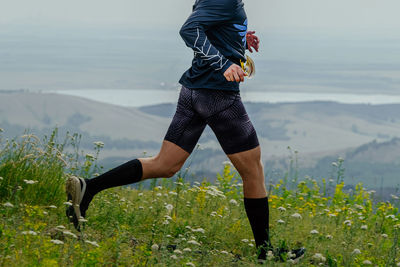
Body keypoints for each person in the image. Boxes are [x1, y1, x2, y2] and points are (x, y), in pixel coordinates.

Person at [66, 0, 305, 263]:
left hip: (193, 92)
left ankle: (88, 187)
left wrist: (237, 38)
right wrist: (224, 64)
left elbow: (206, 24)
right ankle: (265, 253)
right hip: (218, 97)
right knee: (253, 170)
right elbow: (189, 29)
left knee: (165, 165)